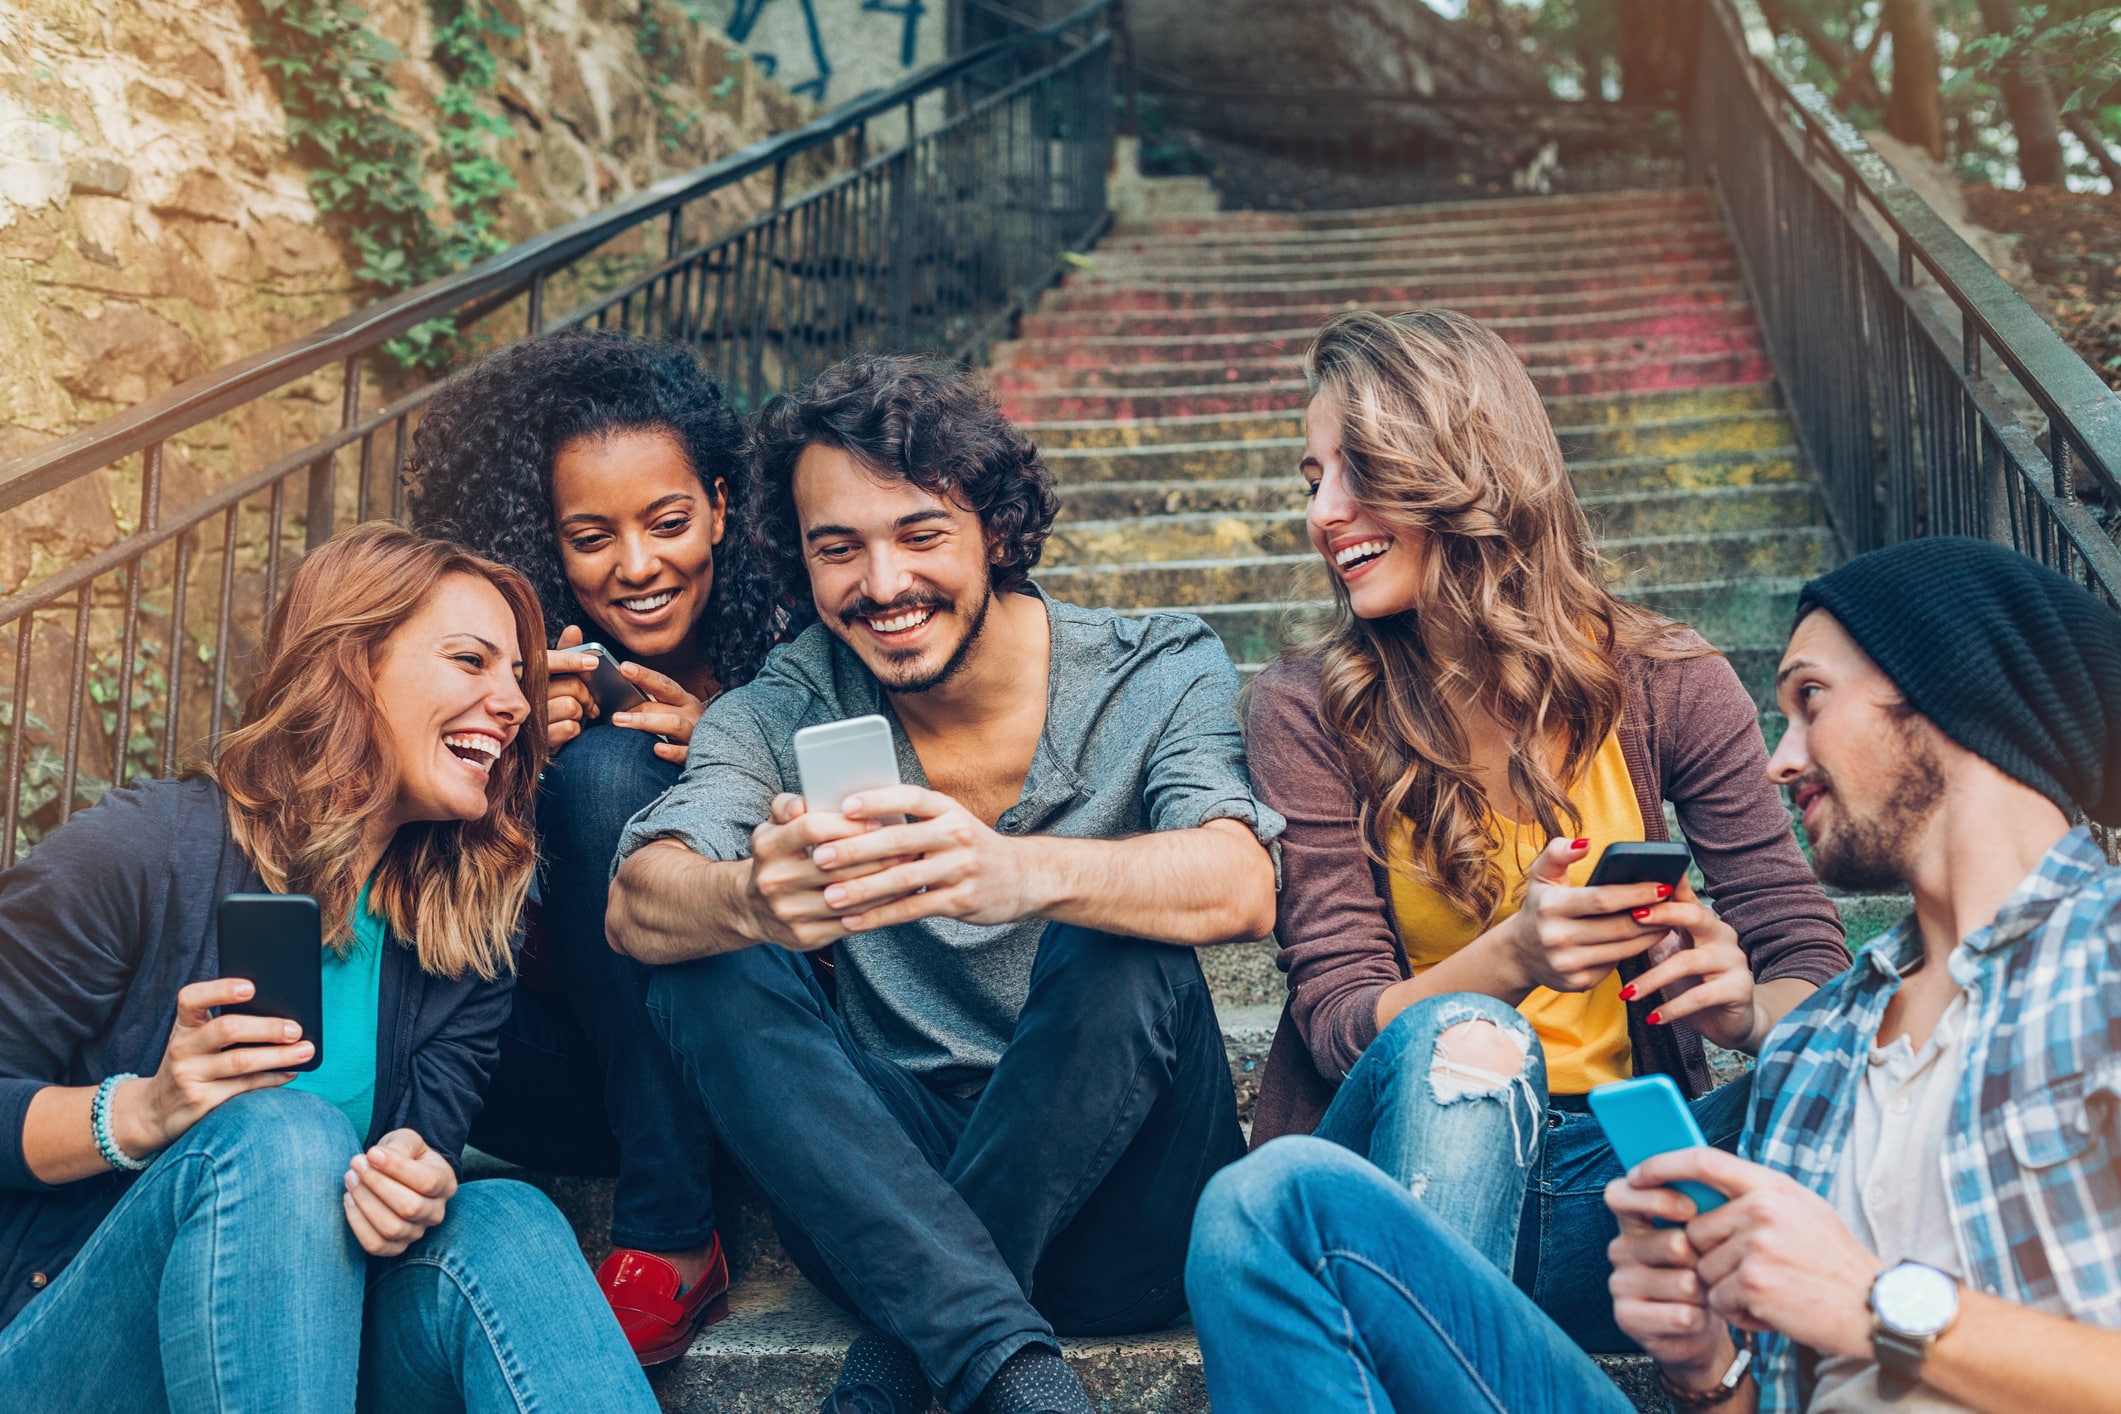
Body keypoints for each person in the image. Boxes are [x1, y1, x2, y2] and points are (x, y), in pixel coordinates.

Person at [1186, 534, 2121, 1414]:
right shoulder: (1821, 1052)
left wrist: (1881, 1306)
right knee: (1267, 1201)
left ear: (1953, 693)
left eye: (1809, 700)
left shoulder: (2101, 966)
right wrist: (1703, 1366)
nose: (1778, 758)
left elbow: (1861, 1311)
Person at [604, 354, 1284, 1414]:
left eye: (920, 534)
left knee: (1116, 922)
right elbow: (638, 896)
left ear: (998, 533)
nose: (883, 585)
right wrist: (750, 898)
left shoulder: (1156, 666)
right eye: (840, 550)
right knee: (703, 963)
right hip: (887, 1195)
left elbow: (1242, 881)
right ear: (802, 566)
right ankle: (1014, 1372)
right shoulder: (782, 704)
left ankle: (893, 1375)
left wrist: (1021, 871)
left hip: (1128, 1212)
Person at [1243, 308, 1849, 1348]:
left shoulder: (1669, 684)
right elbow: (1340, 1022)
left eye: (1360, 471)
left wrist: (1745, 1010)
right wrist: (1511, 956)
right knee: (1475, 1040)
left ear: (1463, 467)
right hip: (1399, 1174)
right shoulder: (1307, 707)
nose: (1324, 512)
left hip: (1613, 1183)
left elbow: (1809, 962)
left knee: (1852, 1071)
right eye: (1313, 481)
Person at [0, 523, 656, 1411]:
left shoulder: (460, 928)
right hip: (62, 1350)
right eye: (471, 660)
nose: (511, 701)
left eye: (518, 676)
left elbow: (420, 1148)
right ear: (352, 663)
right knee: (285, 1136)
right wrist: (143, 1111)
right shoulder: (143, 850)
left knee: (506, 1216)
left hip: (299, 1351)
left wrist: (413, 1186)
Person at [405, 329, 790, 1361]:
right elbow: (469, 950)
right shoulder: (507, 677)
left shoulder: (802, 647)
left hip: (768, 1054)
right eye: (591, 536)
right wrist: (504, 773)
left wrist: (731, 747)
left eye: (667, 522)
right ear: (549, 542)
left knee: (615, 772)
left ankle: (669, 1234)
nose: (636, 566)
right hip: (584, 1075)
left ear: (719, 503)